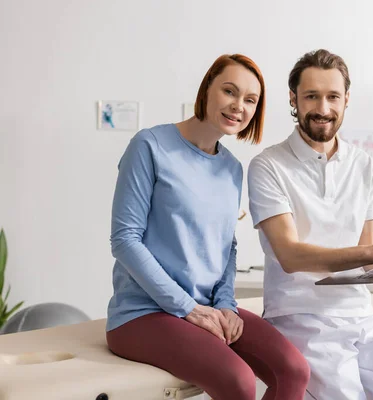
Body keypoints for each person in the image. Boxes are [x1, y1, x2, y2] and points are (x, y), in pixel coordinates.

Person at [106, 54, 310, 400]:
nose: (238, 107)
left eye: (250, 100)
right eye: (229, 91)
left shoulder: (232, 168)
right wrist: (188, 308)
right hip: (141, 313)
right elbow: (124, 239)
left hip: (207, 307)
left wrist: (227, 305)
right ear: (207, 89)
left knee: (293, 370)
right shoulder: (150, 146)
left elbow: (226, 246)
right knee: (239, 382)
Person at [248, 49, 373, 399]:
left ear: (346, 99)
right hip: (300, 316)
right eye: (311, 96)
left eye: (333, 97)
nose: (323, 108)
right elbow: (291, 257)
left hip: (361, 314)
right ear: (293, 98)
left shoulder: (363, 164)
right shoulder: (268, 166)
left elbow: (369, 260)